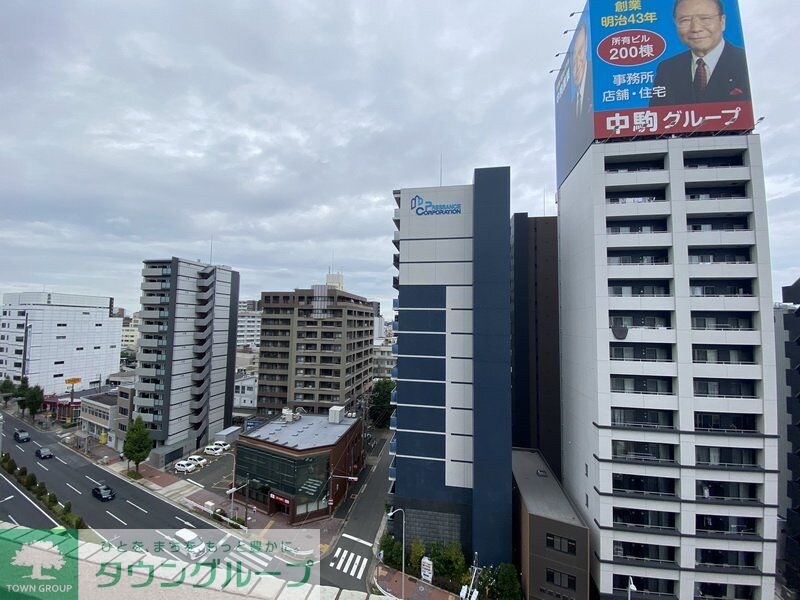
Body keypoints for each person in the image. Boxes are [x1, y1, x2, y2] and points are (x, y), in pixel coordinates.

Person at [650, 0, 750, 107]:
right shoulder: (667, 69)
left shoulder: (745, 61)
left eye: (705, 19)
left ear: (722, 22)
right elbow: (658, 117)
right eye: (685, 20)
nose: (695, 28)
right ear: (676, 23)